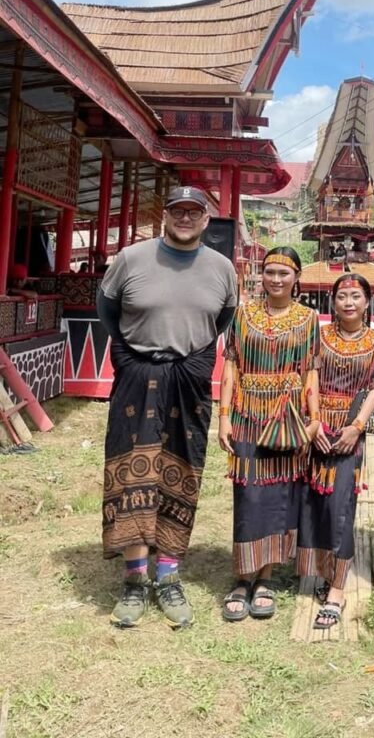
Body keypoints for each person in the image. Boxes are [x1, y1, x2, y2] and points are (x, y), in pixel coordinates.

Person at [97, 185, 238, 628]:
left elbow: (223, 320)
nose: (184, 218)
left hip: (188, 380)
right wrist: (129, 358)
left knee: (182, 471)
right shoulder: (131, 260)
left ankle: (168, 575)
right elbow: (107, 310)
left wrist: (190, 363)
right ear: (165, 215)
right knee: (130, 471)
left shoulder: (222, 268)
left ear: (205, 219)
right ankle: (135, 580)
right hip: (137, 374)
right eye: (177, 210)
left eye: (193, 212)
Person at [218, 246, 319, 622]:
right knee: (249, 496)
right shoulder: (242, 316)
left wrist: (314, 417)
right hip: (247, 414)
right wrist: (224, 416)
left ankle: (266, 577)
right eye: (270, 271)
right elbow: (230, 367)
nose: (276, 279)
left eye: (284, 273)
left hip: (288, 416)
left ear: (297, 278)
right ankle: (242, 576)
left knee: (280, 496)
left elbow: (311, 372)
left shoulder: (309, 320)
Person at [296, 273, 374, 629]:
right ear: (332, 302)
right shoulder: (320, 337)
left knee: (341, 507)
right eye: (342, 296)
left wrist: (357, 427)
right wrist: (315, 420)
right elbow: (310, 378)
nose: (348, 303)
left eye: (355, 296)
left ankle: (337, 589)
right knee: (313, 501)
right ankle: (320, 571)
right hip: (319, 427)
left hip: (350, 430)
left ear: (367, 302)